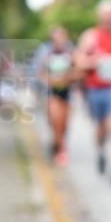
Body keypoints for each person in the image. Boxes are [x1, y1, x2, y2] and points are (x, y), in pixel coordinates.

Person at [75, 0, 111, 187]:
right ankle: (100, 151)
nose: (109, 18)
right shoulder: (90, 37)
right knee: (100, 128)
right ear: (99, 16)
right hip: (95, 88)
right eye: (105, 15)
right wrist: (95, 61)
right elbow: (79, 61)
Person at [39, 26, 75, 166]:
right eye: (56, 38)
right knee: (55, 120)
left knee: (63, 124)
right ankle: (61, 150)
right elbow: (40, 73)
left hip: (67, 93)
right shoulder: (46, 54)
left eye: (62, 37)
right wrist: (51, 80)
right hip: (52, 93)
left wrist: (67, 77)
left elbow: (78, 71)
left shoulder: (70, 53)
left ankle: (56, 143)